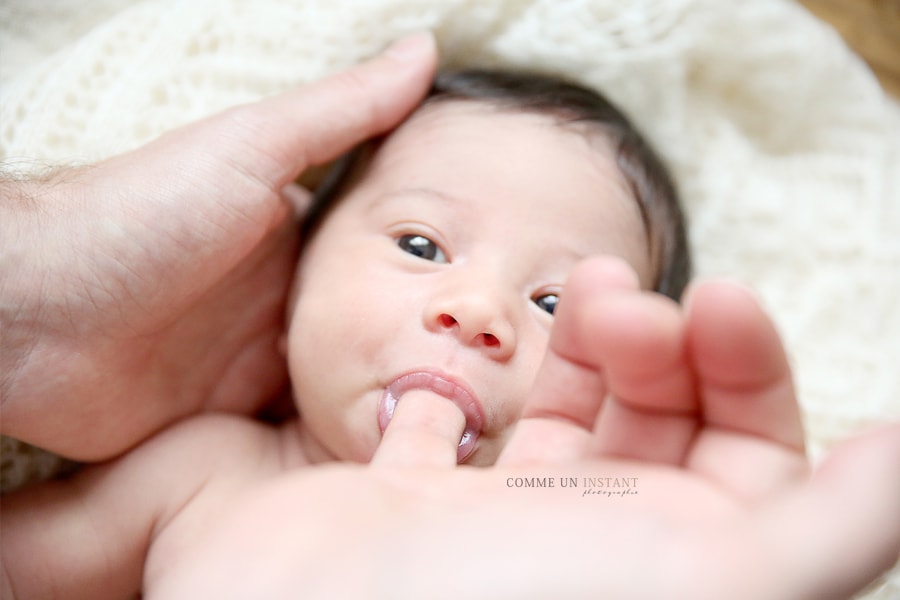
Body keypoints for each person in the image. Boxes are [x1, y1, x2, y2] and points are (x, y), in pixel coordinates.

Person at [1, 32, 898, 600]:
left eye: (556, 304)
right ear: (288, 291)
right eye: (422, 247)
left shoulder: (569, 526)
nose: (479, 314)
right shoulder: (200, 471)